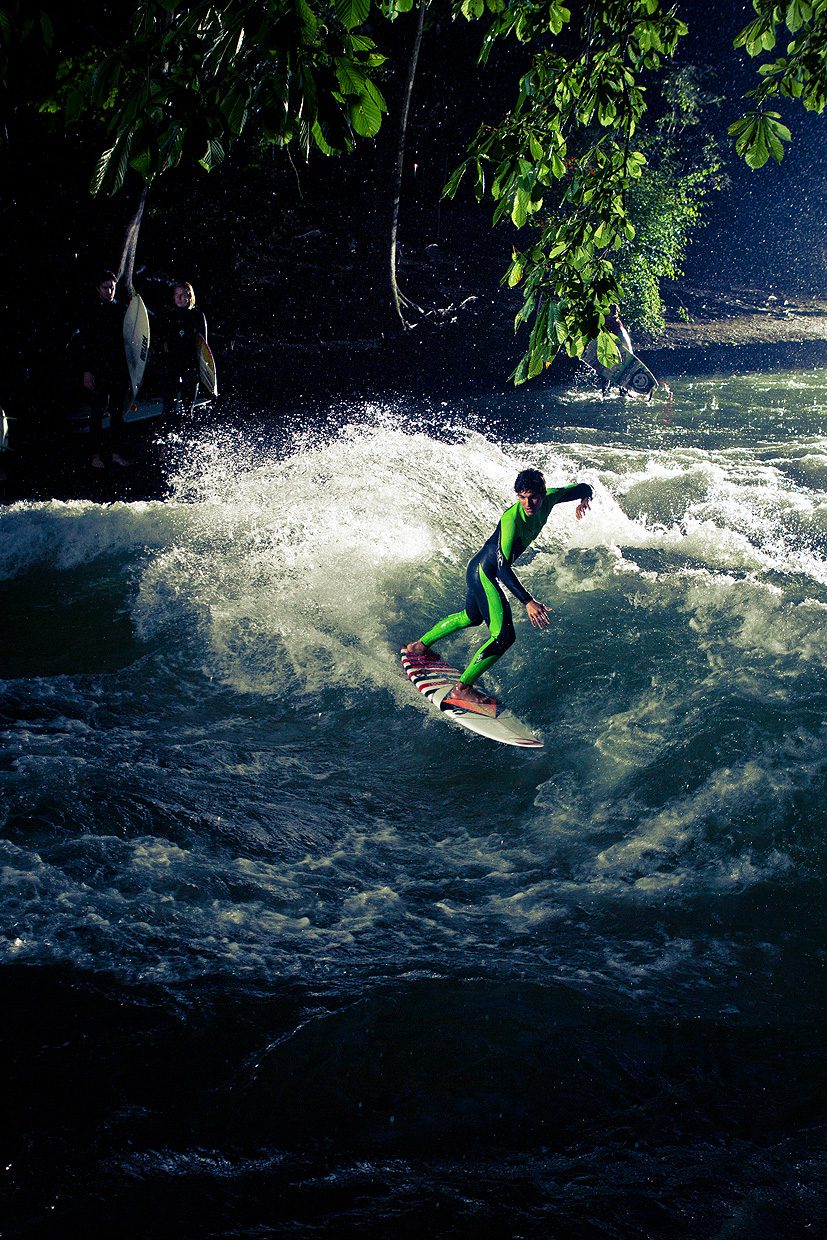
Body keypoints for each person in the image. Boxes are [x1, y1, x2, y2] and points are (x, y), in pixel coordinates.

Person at [403, 469, 593, 715]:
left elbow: (584, 487)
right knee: (504, 637)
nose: (528, 503)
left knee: (470, 617)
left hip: (480, 568)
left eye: (533, 497)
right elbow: (502, 570)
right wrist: (527, 601)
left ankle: (419, 647)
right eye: (522, 497)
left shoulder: (552, 497)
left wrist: (584, 499)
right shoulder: (511, 520)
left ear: (543, 494)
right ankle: (462, 689)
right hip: (484, 572)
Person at [75, 270, 131, 469]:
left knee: (117, 413)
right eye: (106, 287)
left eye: (112, 287)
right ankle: (95, 455)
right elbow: (85, 343)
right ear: (98, 288)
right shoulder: (90, 310)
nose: (110, 291)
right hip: (99, 368)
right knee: (97, 413)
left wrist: (135, 371)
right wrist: (87, 371)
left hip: (118, 368)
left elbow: (131, 342)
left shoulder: (123, 309)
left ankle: (115, 453)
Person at [158, 282, 207, 426]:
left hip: (190, 366)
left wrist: (203, 369)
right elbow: (161, 339)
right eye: (176, 295)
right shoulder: (168, 315)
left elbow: (203, 344)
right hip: (171, 365)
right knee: (168, 408)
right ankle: (166, 444)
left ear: (189, 296)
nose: (179, 298)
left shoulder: (197, 316)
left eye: (182, 295)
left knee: (187, 409)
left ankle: (186, 443)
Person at [601, 303, 633, 397]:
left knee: (617, 373)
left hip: (618, 350)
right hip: (610, 351)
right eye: (610, 311)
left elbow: (619, 338)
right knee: (607, 375)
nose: (611, 314)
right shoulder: (607, 321)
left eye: (613, 312)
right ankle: (605, 392)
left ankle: (622, 391)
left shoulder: (615, 322)